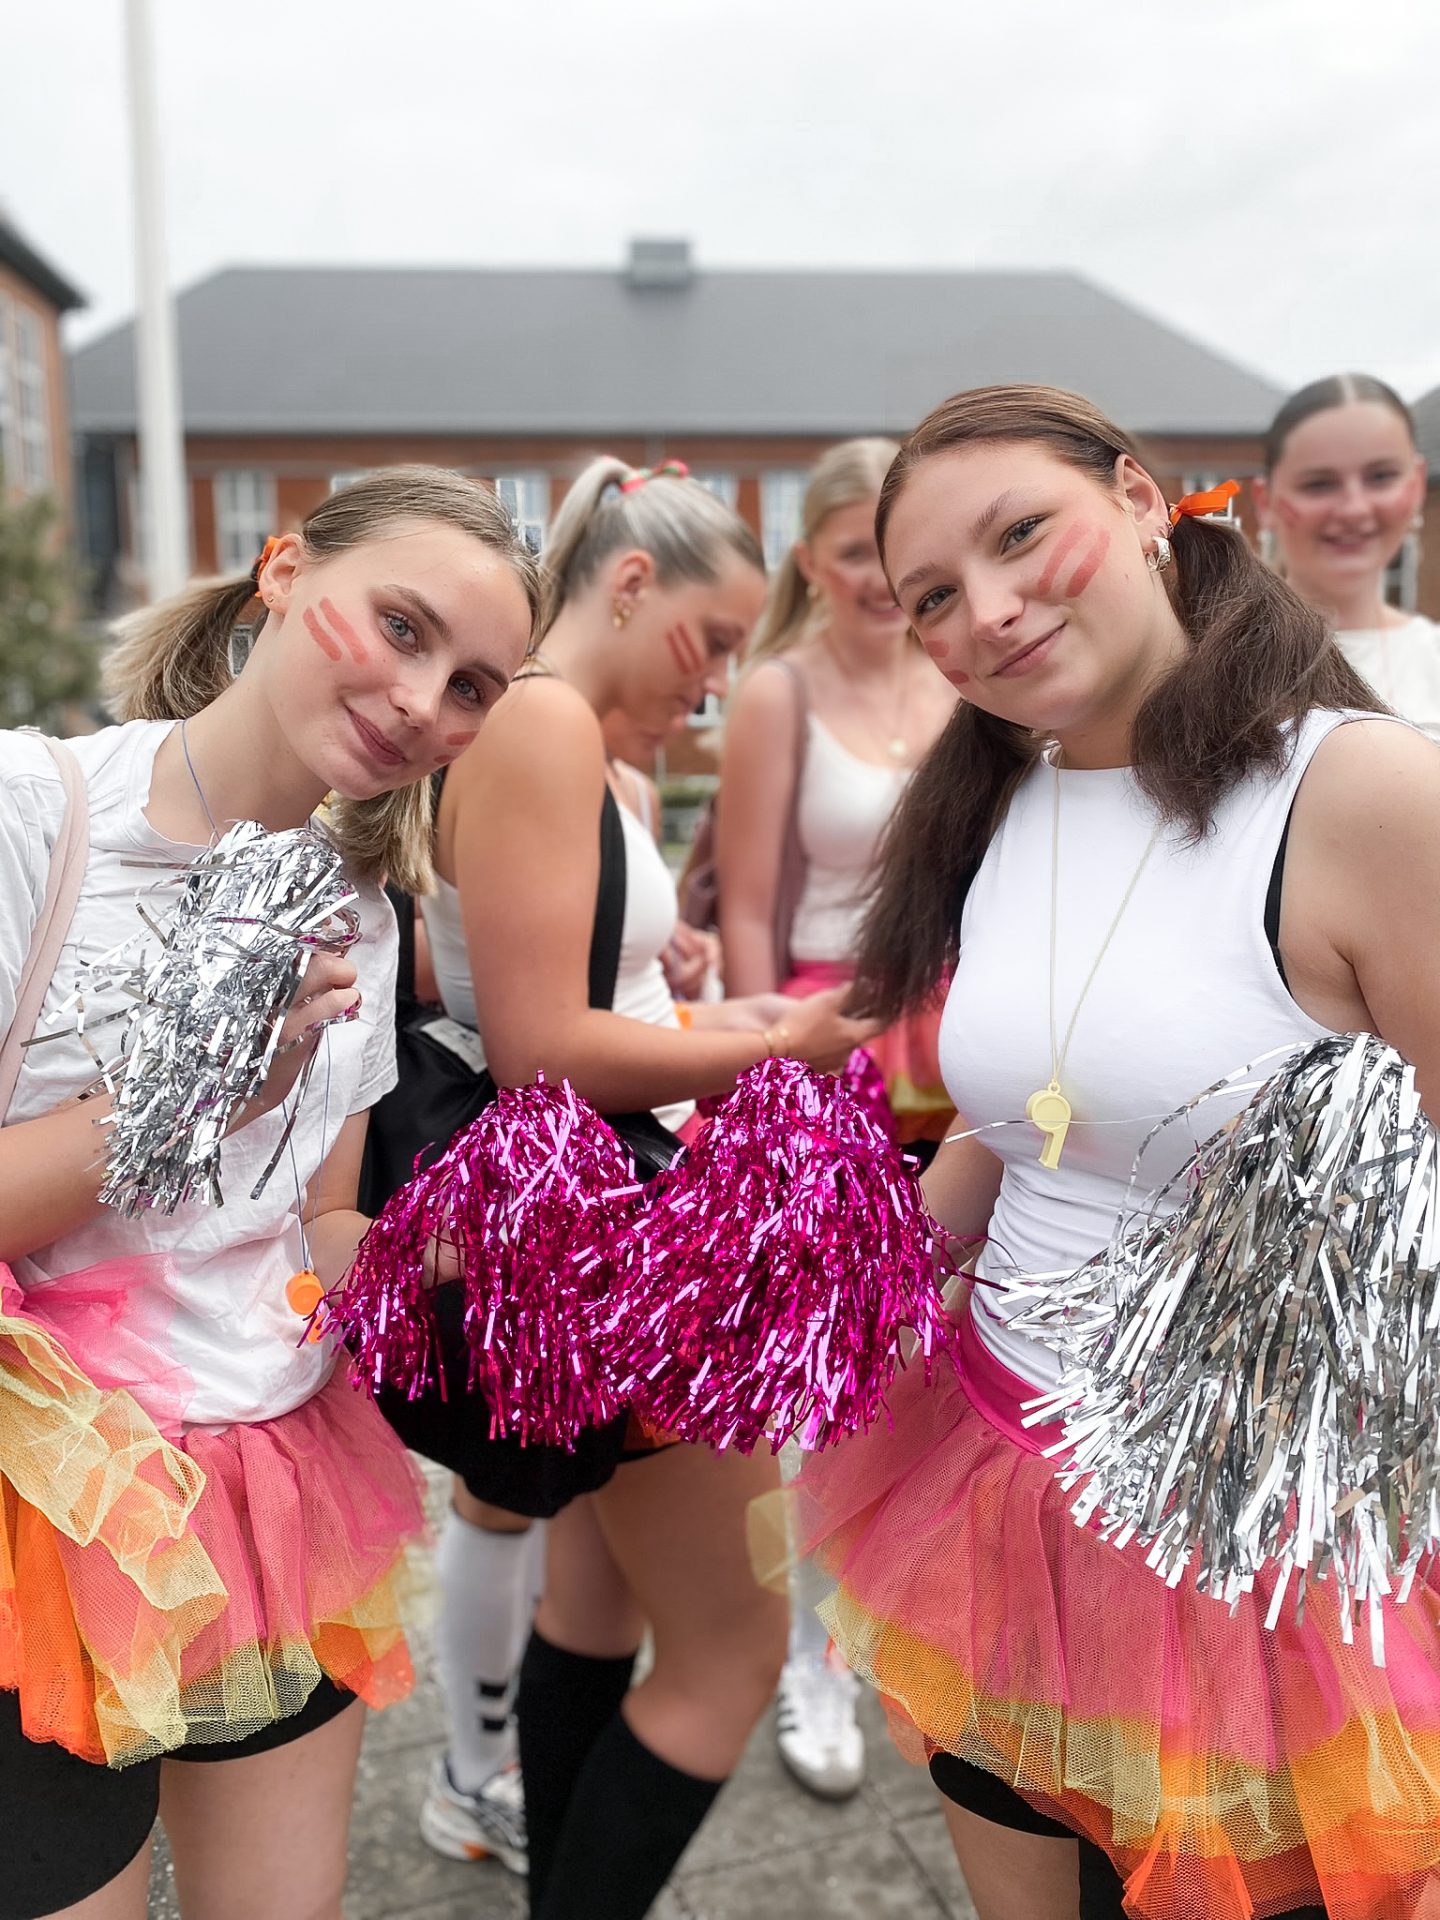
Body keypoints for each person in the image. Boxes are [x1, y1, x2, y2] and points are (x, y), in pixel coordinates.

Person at [781, 385, 1440, 1919]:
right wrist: (817, 1278)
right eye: (933, 595)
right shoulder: (1000, 798)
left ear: (1145, 504)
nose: (987, 615)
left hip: (1259, 1548)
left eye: (1024, 537)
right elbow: (1021, 1139)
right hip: (992, 1484)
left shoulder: (1367, 793)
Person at [0, 466, 540, 1920]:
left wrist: (437, 1259)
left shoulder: (361, 909)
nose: (428, 700)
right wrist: (192, 1087)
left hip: (278, 1494)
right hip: (43, 1519)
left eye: (477, 683)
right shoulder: (29, 815)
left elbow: (309, 1222)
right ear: (286, 571)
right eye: (403, 625)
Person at [418, 455, 871, 1919]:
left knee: (595, 1607)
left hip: (586, 1231)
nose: (721, 679)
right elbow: (543, 1046)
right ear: (627, 582)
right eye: (712, 640)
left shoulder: (561, 734)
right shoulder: (543, 722)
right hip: (616, 1239)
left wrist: (706, 1026)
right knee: (735, 1657)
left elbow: (528, 1005)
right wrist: (780, 1042)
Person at [711, 438, 957, 1801]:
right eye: (853, 548)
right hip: (828, 1037)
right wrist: (771, 1079)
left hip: (969, 1036)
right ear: (814, 559)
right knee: (829, 1358)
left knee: (949, 1341)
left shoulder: (964, 672)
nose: (878, 575)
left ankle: (918, 1611)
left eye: (894, 544)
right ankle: (816, 1649)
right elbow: (750, 897)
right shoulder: (775, 692)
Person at [1254, 373, 1438, 741]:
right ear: (1266, 502)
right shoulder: (1215, 663)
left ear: (1416, 485)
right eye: (1319, 484)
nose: (1354, 509)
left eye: (1381, 477)